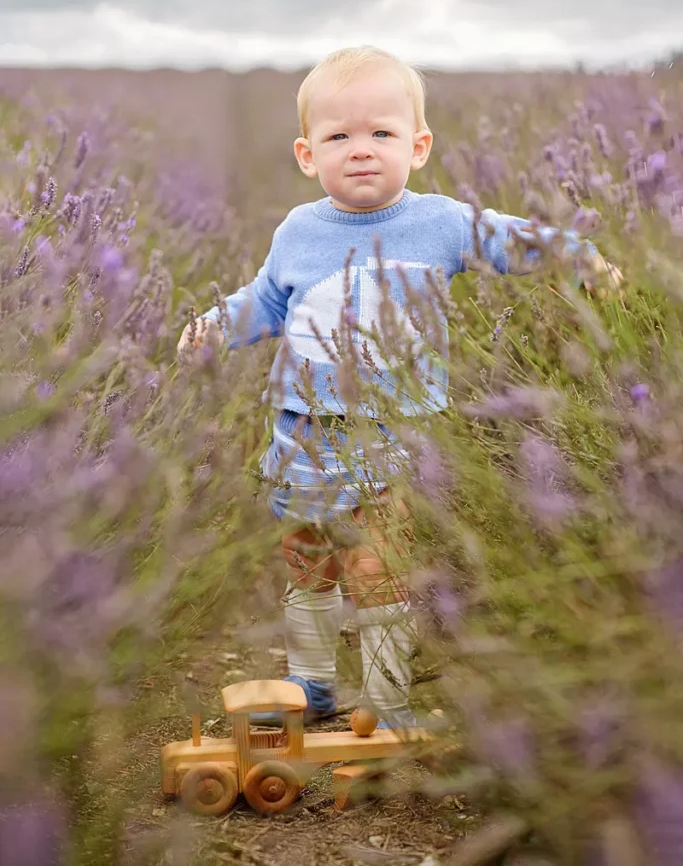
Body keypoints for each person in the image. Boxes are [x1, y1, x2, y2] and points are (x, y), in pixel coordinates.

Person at [177, 46, 621, 729]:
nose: (361, 150)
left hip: (388, 432)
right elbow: (264, 300)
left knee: (378, 569)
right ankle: (313, 685)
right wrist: (211, 328)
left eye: (381, 133)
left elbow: (510, 238)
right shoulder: (298, 231)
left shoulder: (437, 223)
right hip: (302, 431)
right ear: (306, 155)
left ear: (417, 147)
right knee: (307, 563)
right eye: (339, 136)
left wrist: (578, 255)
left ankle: (387, 707)